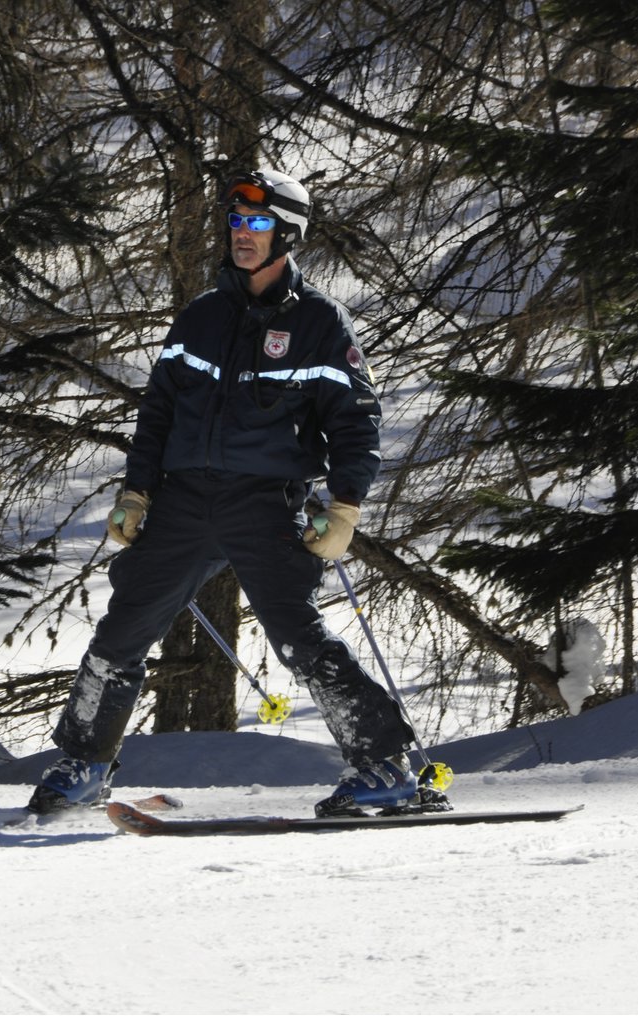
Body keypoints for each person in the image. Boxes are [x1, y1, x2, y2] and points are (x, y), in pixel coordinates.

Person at [29, 168, 437, 818]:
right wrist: (136, 493)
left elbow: (356, 422)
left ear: (288, 234)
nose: (242, 235)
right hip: (184, 500)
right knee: (124, 626)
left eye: (257, 223)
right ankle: (85, 764)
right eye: (237, 222)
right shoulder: (201, 317)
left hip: (264, 502)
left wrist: (345, 507)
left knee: (299, 636)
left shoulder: (320, 325)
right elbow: (157, 411)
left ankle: (385, 767)